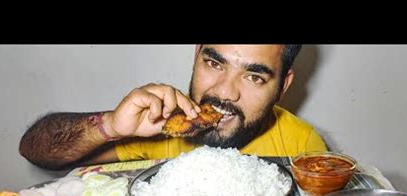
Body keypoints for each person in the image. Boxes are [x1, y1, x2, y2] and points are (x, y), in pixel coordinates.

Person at [19, 45, 327, 170]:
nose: (224, 92)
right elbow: (38, 153)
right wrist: (110, 125)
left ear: (282, 87)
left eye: (254, 76)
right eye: (213, 62)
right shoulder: (161, 124)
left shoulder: (302, 144)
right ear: (196, 54)